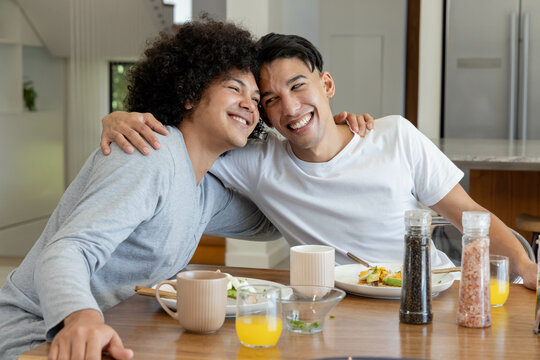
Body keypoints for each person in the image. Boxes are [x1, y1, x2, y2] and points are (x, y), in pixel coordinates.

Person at [100, 33, 537, 289]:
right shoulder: (255, 162)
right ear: (263, 113)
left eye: (299, 86)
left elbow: (469, 217)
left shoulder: (395, 135)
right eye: (271, 99)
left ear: (326, 83)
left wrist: (527, 269)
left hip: (430, 290)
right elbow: (189, 131)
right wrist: (119, 116)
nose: (290, 108)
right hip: (341, 306)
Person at [0, 19, 289, 360]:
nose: (249, 105)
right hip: (43, 334)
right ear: (189, 94)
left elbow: (272, 222)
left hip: (118, 331)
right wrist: (82, 318)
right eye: (234, 88)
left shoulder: (205, 190)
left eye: (256, 99)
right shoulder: (148, 154)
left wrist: (323, 143)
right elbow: (68, 251)